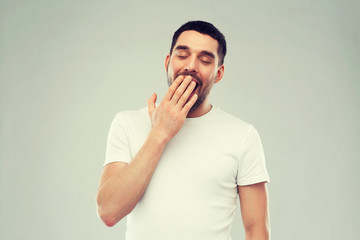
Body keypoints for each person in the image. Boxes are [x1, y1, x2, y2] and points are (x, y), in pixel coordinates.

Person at [96, 20, 270, 240]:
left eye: (205, 60)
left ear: (218, 73)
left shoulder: (243, 136)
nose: (191, 66)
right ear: (168, 62)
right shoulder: (127, 123)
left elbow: (257, 230)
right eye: (182, 55)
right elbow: (108, 212)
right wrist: (160, 133)